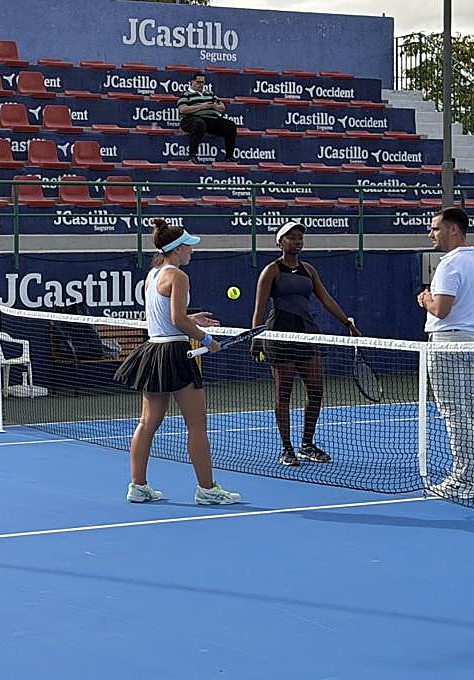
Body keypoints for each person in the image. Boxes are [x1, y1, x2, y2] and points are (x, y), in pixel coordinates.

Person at [115, 219, 243, 505]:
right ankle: (207, 490)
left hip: (154, 351)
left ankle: (138, 485)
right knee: (197, 425)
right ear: (176, 249)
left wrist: (191, 320)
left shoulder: (153, 275)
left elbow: (165, 318)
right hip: (174, 354)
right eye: (188, 247)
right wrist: (208, 340)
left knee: (147, 423)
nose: (191, 252)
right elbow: (176, 320)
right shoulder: (179, 276)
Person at [250, 221, 361, 467]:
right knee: (284, 393)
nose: (297, 242)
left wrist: (347, 322)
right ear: (280, 243)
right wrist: (256, 337)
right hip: (279, 336)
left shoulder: (309, 270)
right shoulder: (271, 271)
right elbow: (259, 309)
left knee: (316, 391)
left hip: (307, 335)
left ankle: (307, 444)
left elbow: (326, 298)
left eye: (300, 238)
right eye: (291, 238)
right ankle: (286, 448)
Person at [416, 207, 474, 497]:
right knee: (473, 410)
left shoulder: (449, 265)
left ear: (454, 230)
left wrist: (426, 299)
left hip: (448, 344)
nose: (431, 234)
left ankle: (461, 477)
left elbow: (441, 309)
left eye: (435, 228)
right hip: (473, 340)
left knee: (454, 412)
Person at [176, 71, 237, 163]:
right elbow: (182, 109)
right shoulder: (186, 94)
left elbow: (222, 107)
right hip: (190, 119)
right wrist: (202, 106)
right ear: (192, 82)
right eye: (198, 82)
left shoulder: (210, 94)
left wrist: (215, 107)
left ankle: (229, 156)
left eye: (202, 82)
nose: (200, 85)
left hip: (210, 120)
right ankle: (193, 155)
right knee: (199, 123)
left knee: (230, 126)